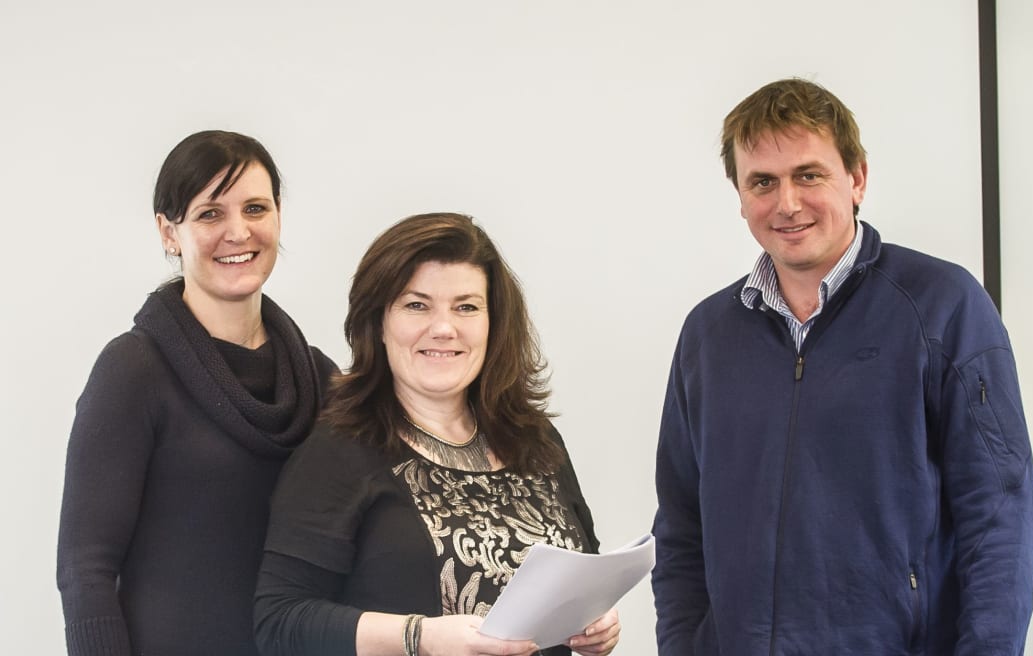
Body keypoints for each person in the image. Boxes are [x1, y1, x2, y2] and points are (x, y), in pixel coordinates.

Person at [651, 78, 1033, 655]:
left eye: (809, 175)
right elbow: (681, 529)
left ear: (856, 178)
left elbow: (1002, 516)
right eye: (763, 182)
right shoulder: (708, 335)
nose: (786, 203)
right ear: (740, 197)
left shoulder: (942, 306)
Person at [253, 212, 620, 656]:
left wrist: (597, 623)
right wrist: (418, 637)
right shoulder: (338, 451)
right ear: (379, 323)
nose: (444, 328)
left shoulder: (536, 441)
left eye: (466, 306)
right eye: (417, 305)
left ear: (494, 323)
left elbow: (582, 570)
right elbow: (280, 622)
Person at [56, 130, 337, 656]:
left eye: (255, 208)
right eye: (210, 214)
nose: (238, 231)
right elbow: (84, 569)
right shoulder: (133, 371)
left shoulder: (318, 378)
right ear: (169, 232)